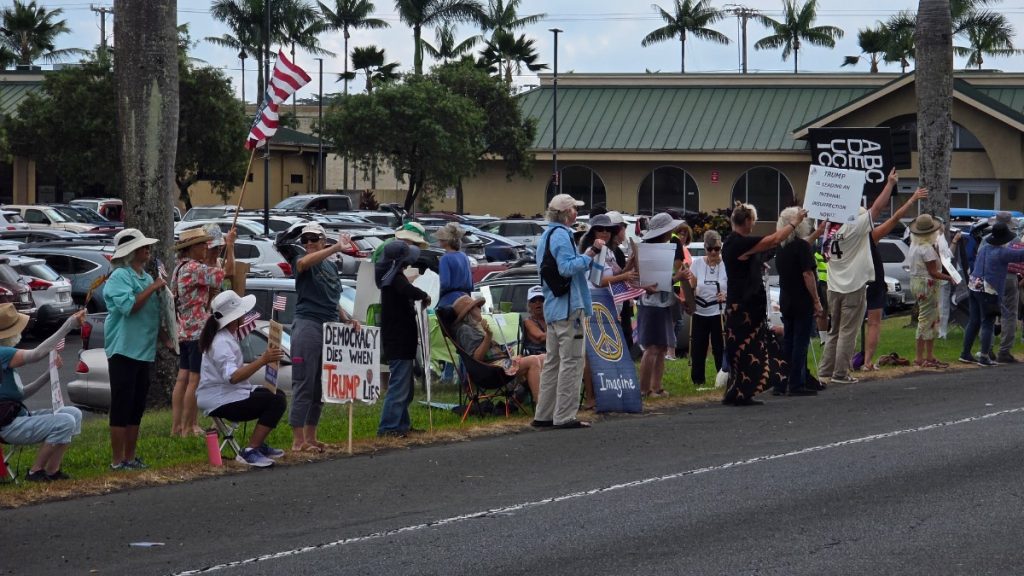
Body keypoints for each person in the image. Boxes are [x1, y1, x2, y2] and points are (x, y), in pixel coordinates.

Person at [721, 202, 807, 406]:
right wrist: (794, 223)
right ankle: (740, 393)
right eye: (753, 221)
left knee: (750, 350)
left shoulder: (733, 242)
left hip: (745, 306)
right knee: (746, 351)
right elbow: (775, 239)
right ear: (748, 221)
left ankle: (742, 392)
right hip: (743, 308)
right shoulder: (738, 243)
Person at [290, 223, 361, 452]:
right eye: (305, 239)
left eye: (314, 238)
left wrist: (346, 319)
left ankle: (311, 436)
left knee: (320, 385)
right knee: (304, 383)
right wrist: (335, 248)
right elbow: (302, 263)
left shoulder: (330, 268)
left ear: (323, 239)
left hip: (329, 328)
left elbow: (334, 299)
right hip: (308, 325)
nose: (308, 243)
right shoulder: (302, 261)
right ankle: (298, 440)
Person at [533, 193, 601, 429]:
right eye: (573, 209)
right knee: (572, 361)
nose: (576, 213)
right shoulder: (562, 235)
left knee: (552, 363)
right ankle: (564, 415)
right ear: (565, 213)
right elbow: (566, 268)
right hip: (569, 307)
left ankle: (544, 413)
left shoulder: (546, 235)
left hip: (553, 306)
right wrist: (589, 254)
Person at [196, 290, 287, 467]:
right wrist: (263, 360)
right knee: (276, 401)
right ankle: (251, 450)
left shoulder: (225, 337)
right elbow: (233, 377)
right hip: (220, 399)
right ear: (235, 317)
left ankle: (257, 445)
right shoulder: (221, 342)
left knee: (277, 394)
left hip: (226, 394)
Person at [818, 178, 894, 386]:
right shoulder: (854, 228)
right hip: (852, 286)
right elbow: (877, 208)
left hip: (834, 286)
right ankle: (841, 373)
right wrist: (889, 184)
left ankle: (826, 369)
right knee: (847, 331)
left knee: (834, 330)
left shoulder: (828, 233)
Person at [104, 228, 169, 470]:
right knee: (122, 404)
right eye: (143, 247)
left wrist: (165, 337)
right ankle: (117, 460)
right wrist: (154, 288)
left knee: (137, 405)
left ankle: (130, 457)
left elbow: (152, 315)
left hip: (144, 350)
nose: (148, 250)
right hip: (123, 350)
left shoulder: (146, 277)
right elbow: (129, 308)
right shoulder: (119, 276)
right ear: (131, 252)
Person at [0, 307, 86, 481]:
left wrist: (48, 374)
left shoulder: (6, 357)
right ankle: (35, 471)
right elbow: (37, 354)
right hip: (8, 425)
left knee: (74, 414)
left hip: (16, 418)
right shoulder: (3, 353)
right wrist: (68, 326)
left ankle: (53, 470)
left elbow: (21, 394)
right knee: (65, 421)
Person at [170, 227, 235, 438]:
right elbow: (228, 272)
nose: (206, 248)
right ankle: (188, 427)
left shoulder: (179, 268)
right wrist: (230, 246)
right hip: (198, 330)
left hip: (184, 329)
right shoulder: (195, 268)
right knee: (195, 380)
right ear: (191, 248)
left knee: (183, 378)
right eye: (202, 244)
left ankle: (177, 427)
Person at [861, 184, 929, 370]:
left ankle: (845, 361)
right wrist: (912, 199)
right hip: (873, 280)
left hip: (853, 281)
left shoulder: (842, 238)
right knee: (874, 323)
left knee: (848, 325)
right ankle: (866, 361)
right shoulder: (870, 237)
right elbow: (895, 217)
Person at [578, 214, 639, 408]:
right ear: (592, 231)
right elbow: (599, 281)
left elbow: (618, 274)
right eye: (600, 229)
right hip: (593, 302)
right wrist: (625, 276)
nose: (604, 232)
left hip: (608, 302)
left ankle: (608, 393)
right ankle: (590, 398)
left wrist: (632, 262)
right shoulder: (593, 251)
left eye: (608, 229)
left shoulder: (609, 251)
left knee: (606, 352)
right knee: (592, 353)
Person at [376, 241, 430, 437]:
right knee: (398, 387)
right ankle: (388, 428)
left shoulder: (390, 277)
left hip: (402, 341)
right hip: (398, 342)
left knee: (405, 388)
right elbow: (411, 291)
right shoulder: (395, 279)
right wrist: (424, 294)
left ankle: (401, 425)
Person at [636, 213, 690, 398]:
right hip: (652, 305)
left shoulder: (663, 248)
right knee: (652, 348)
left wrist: (678, 298)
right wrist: (678, 278)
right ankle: (644, 389)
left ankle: (656, 386)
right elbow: (656, 282)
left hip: (663, 303)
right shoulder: (650, 252)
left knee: (661, 347)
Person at [453, 295, 543, 402]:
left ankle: (529, 397)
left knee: (544, 358)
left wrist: (506, 352)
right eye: (477, 306)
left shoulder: (475, 327)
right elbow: (476, 358)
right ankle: (541, 407)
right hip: (490, 371)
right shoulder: (465, 330)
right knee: (533, 360)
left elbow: (489, 352)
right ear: (469, 312)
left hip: (499, 365)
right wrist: (488, 336)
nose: (480, 308)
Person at [960, 222, 1024, 366]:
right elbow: (1021, 255)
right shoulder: (1003, 252)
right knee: (988, 321)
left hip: (974, 285)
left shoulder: (985, 248)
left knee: (974, 321)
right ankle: (984, 356)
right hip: (989, 289)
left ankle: (965, 353)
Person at [773, 210, 823, 395]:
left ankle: (781, 381)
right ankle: (796, 383)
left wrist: (819, 232)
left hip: (786, 298)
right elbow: (808, 274)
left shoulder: (781, 246)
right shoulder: (801, 247)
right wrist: (816, 301)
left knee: (788, 342)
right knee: (800, 342)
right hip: (802, 299)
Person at [907, 214, 955, 368]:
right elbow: (933, 272)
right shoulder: (926, 249)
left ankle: (928, 355)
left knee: (930, 318)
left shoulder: (915, 246)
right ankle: (920, 358)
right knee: (926, 320)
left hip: (918, 283)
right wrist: (950, 278)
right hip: (927, 284)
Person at [689, 230, 728, 389]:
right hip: (700, 310)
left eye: (717, 249)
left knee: (720, 346)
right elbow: (691, 286)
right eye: (710, 248)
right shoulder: (697, 263)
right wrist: (692, 291)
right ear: (705, 248)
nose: (713, 252)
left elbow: (734, 287)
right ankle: (698, 380)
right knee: (698, 346)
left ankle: (722, 378)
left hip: (719, 311)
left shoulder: (726, 265)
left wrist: (726, 295)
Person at [992, 212, 1022, 363]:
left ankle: (987, 348)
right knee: (1009, 315)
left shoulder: (987, 240)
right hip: (1010, 277)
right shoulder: (1016, 239)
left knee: (989, 314)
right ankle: (1004, 350)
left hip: (992, 278)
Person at [436, 222, 473, 309]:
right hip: (466, 299)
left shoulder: (445, 258)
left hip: (450, 301)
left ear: (446, 241)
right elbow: (471, 283)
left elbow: (445, 284)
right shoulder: (464, 256)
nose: (438, 240)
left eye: (440, 238)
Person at [522, 286, 547, 356]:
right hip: (536, 357)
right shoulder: (528, 321)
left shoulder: (550, 320)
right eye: (533, 300)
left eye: (541, 299)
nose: (538, 302)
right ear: (529, 304)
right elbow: (541, 337)